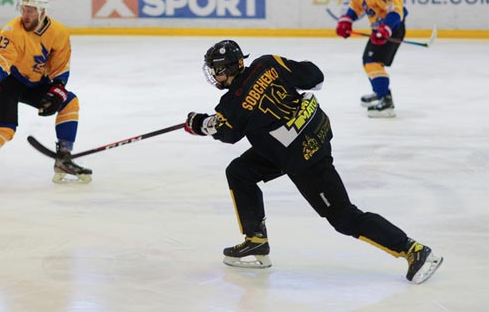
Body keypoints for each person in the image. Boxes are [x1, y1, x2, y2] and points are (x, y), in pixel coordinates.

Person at [184, 39, 442, 284]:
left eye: (217, 71)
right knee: (240, 172)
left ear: (231, 68)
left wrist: (200, 124)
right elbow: (314, 77)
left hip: (303, 157)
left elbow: (226, 133)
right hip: (308, 135)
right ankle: (256, 241)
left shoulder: (231, 104)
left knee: (344, 217)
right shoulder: (267, 64)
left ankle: (415, 251)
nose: (214, 77)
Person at [0, 0, 92, 191]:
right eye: (24, 10)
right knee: (5, 128)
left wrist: (57, 91)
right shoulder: (13, 30)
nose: (25, 16)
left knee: (70, 101)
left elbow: (61, 68)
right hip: (11, 81)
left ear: (42, 12)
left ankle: (64, 158)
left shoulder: (59, 33)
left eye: (31, 11)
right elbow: (2, 59)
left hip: (37, 83)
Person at [335, 0, 408, 118]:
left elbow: (396, 11)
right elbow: (356, 6)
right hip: (380, 30)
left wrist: (385, 29)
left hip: (393, 29)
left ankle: (386, 101)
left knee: (372, 62)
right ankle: (380, 91)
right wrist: (346, 21)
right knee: (368, 61)